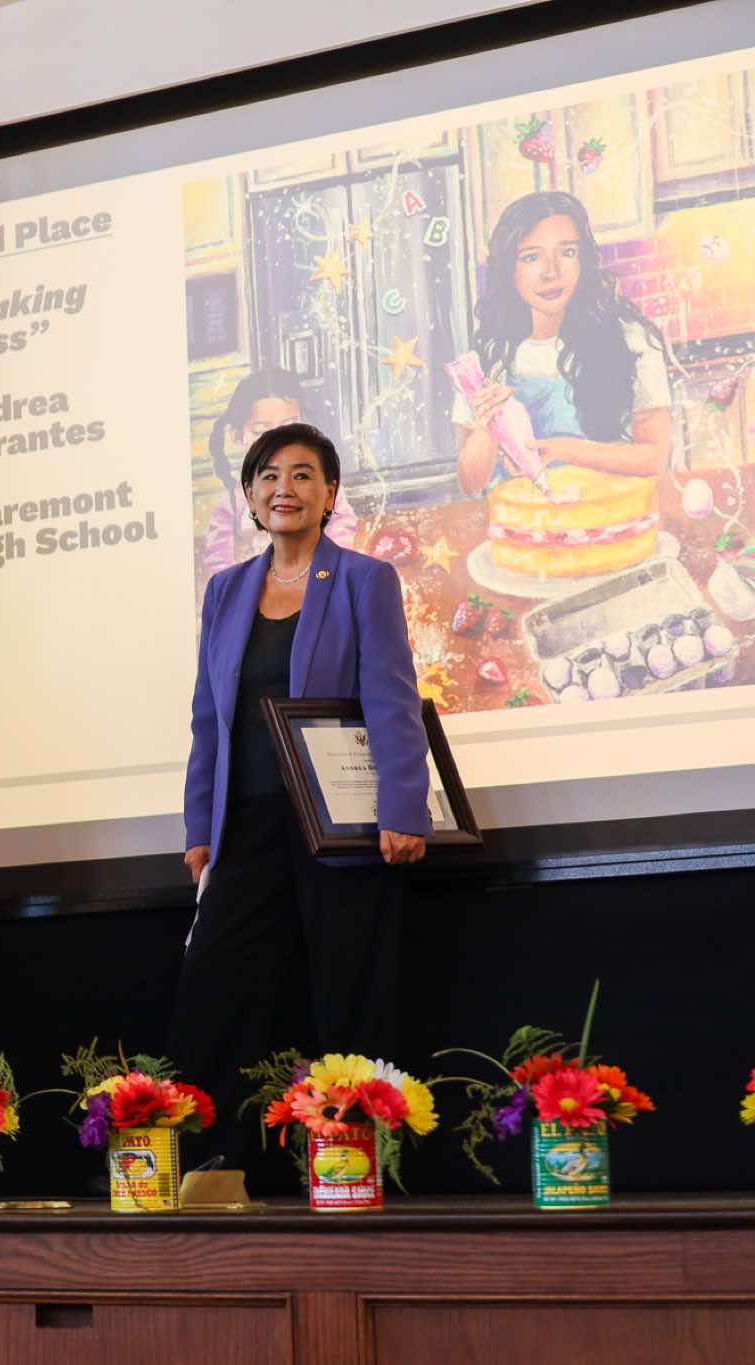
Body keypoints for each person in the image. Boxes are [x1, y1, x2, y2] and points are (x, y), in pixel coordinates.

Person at [167, 422, 431, 1166]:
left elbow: (391, 699)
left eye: (304, 474)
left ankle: (360, 1157)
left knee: (350, 988)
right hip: (246, 822)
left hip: (338, 824)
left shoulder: (363, 579)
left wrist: (403, 808)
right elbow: (209, 718)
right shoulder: (225, 590)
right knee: (216, 984)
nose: (286, 488)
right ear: (250, 496)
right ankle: (208, 1160)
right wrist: (199, 829)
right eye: (270, 475)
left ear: (330, 493)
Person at [454, 190, 672, 494]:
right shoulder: (488, 356)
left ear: (583, 260)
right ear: (509, 269)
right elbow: (470, 484)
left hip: (610, 513)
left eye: (567, 252)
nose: (551, 273)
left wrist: (562, 450)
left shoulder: (630, 339)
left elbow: (654, 458)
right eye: (531, 257)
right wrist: (488, 425)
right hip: (524, 517)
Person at [201, 369, 357, 579]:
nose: (278, 443)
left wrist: (323, 575)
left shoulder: (323, 486)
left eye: (291, 427)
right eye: (260, 432)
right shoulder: (232, 501)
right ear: (238, 436)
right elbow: (218, 562)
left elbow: (342, 527)